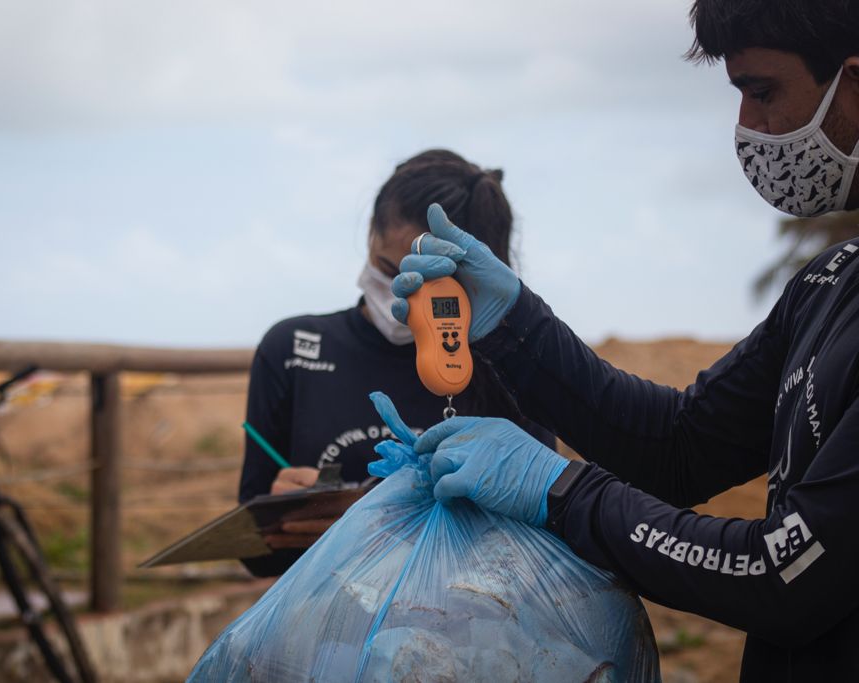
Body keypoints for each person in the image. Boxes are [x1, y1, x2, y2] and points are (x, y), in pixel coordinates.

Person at [388, 2, 859, 680]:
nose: (747, 127)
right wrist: (513, 324)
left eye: (762, 91)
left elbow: (786, 577)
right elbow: (677, 445)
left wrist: (559, 489)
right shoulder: (830, 284)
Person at [239, 149, 553, 576]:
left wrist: (372, 526)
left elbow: (546, 532)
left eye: (430, 283)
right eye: (389, 269)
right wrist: (282, 522)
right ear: (370, 233)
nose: (402, 295)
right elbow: (255, 553)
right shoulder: (292, 350)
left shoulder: (512, 369)